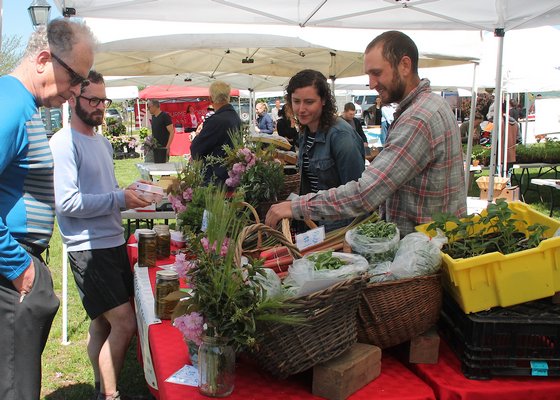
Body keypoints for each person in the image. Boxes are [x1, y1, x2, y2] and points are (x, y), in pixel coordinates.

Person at [266, 31, 467, 236]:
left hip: (425, 247)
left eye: (377, 73)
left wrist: (296, 207)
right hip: (430, 243)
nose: (371, 83)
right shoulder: (432, 104)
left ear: (405, 65)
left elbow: (365, 193)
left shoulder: (418, 119)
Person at [0, 18, 95, 400]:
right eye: (75, 78)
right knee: (15, 388)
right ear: (43, 59)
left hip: (19, 268)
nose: (76, 92)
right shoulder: (9, 104)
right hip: (10, 274)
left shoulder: (21, 104)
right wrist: (18, 267)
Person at [50, 71, 151, 400]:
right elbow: (67, 203)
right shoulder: (63, 143)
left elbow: (103, 195)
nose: (99, 107)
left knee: (103, 323)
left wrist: (127, 195)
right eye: (92, 100)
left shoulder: (103, 142)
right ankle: (109, 396)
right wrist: (118, 198)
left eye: (103, 100)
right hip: (88, 249)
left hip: (112, 241)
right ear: (72, 98)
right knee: (124, 323)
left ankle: (100, 387)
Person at [286, 69, 366, 232]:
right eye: (296, 101)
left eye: (309, 102)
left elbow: (357, 194)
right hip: (313, 224)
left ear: (323, 100)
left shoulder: (341, 136)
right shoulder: (305, 131)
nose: (301, 109)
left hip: (337, 229)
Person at [190, 81, 241, 185]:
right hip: (231, 174)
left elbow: (196, 149)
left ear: (211, 98)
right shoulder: (235, 117)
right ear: (228, 97)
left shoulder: (216, 120)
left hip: (216, 176)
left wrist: (196, 136)